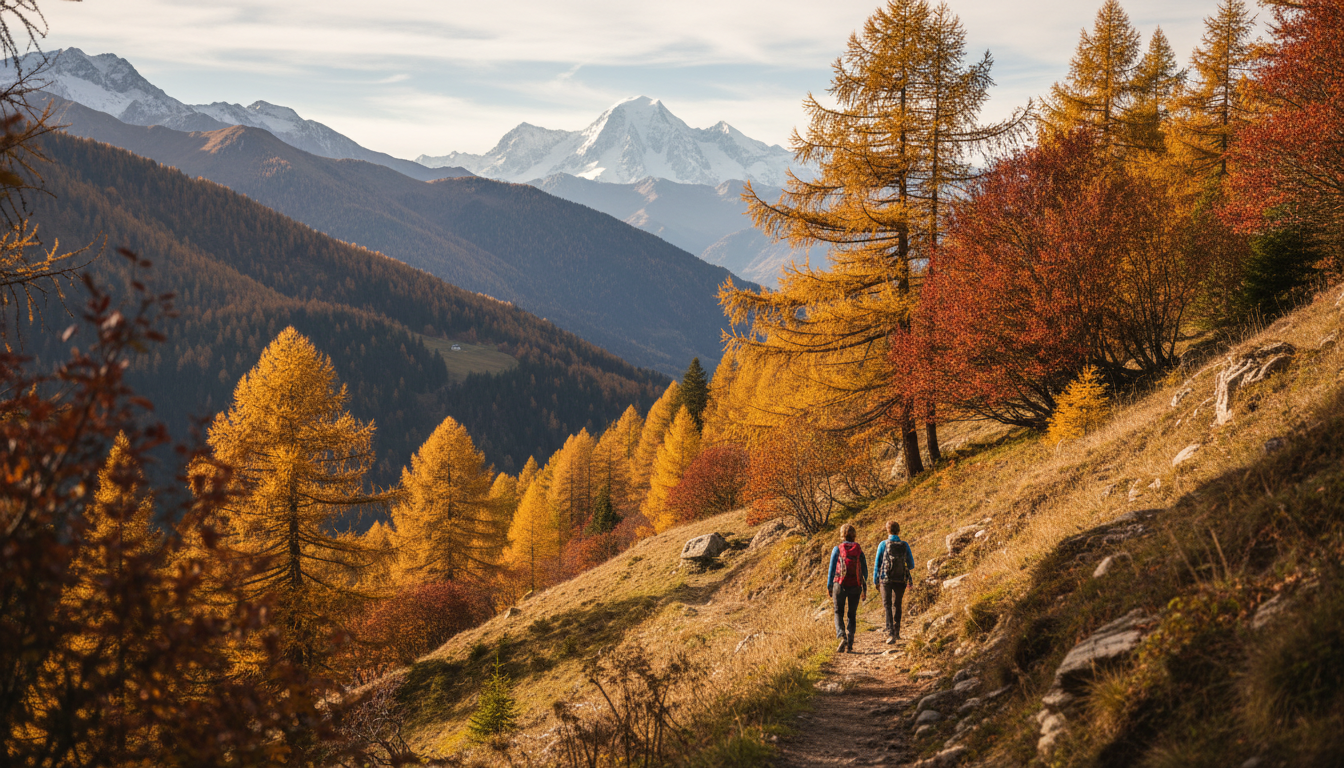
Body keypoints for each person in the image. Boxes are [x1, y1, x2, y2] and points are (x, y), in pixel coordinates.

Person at [827, 524, 868, 653]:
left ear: (842, 535)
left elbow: (831, 569)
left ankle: (842, 636)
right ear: (854, 535)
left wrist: (829, 586)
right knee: (852, 613)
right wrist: (863, 583)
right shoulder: (858, 550)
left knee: (838, 612)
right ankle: (850, 641)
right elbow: (865, 570)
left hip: (839, 584)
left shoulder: (837, 549)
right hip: (855, 585)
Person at [873, 520, 915, 643]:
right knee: (897, 604)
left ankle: (890, 633)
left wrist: (876, 580)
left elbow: (877, 564)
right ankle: (897, 632)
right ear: (899, 531)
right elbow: (911, 565)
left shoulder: (883, 544)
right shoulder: (904, 545)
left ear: (888, 530)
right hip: (901, 578)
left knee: (887, 605)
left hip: (885, 578)